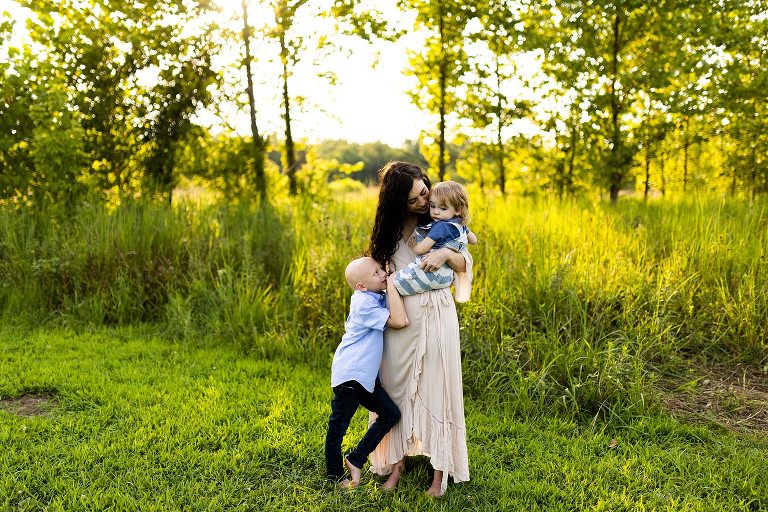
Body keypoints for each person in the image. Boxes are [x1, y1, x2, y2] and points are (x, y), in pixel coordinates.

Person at [367, 161, 473, 497]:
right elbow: (378, 275)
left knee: (438, 386)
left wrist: (443, 254)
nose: (422, 201)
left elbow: (466, 262)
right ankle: (396, 462)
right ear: (399, 201)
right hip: (402, 317)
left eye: (423, 191)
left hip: (438, 311)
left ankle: (439, 475)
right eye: (413, 199)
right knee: (395, 385)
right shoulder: (389, 228)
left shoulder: (442, 215)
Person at [325, 256, 409, 489]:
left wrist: (388, 283)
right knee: (338, 427)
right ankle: (334, 476)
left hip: (365, 378)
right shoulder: (363, 303)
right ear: (361, 286)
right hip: (351, 375)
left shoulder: (374, 295)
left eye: (380, 270)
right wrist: (392, 284)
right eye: (375, 273)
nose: (383, 274)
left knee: (390, 414)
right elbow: (400, 321)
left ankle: (356, 458)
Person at [393, 180, 478, 296]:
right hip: (447, 277)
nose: (436, 212)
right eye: (432, 206)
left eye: (443, 208)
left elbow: (422, 249)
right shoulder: (460, 225)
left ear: (458, 210)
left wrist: (414, 246)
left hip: (431, 273)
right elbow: (474, 240)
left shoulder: (441, 226)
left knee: (399, 282)